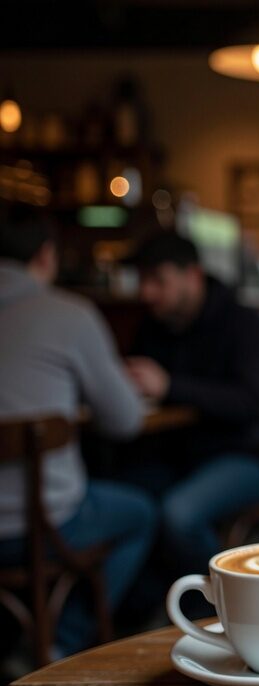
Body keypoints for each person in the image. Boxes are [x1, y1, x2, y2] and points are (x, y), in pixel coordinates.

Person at [0, 203, 157, 657]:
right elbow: (126, 420)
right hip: (48, 525)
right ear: (46, 255)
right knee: (143, 514)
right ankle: (58, 643)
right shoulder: (68, 315)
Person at [123, 232, 259, 573]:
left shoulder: (243, 324)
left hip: (254, 456)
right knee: (125, 503)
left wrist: (170, 386)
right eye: (142, 280)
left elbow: (250, 401)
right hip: (183, 455)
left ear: (194, 275)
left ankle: (217, 608)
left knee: (177, 513)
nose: (147, 292)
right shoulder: (154, 326)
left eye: (159, 280)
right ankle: (145, 609)